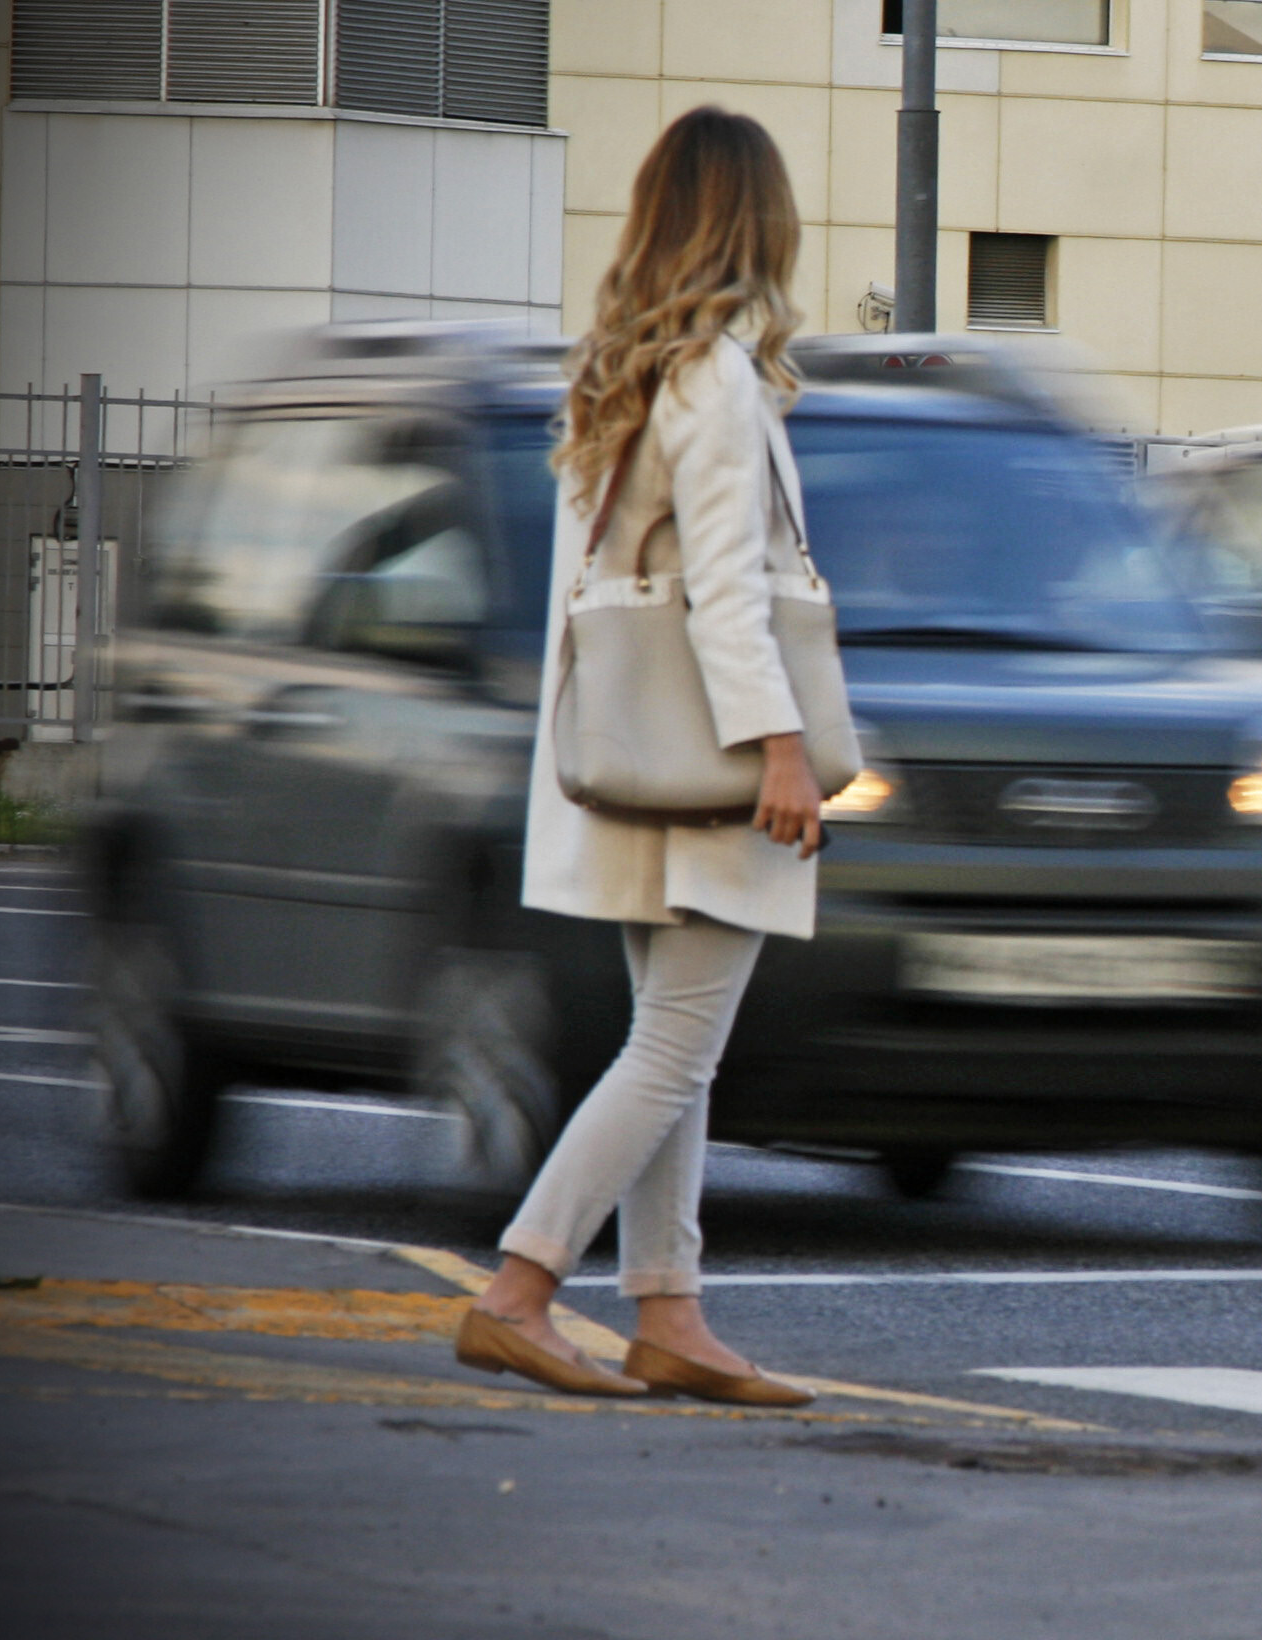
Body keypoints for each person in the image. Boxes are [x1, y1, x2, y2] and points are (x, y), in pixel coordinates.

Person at [451, 107, 824, 1405]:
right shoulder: (713, 375)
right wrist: (782, 746)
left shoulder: (622, 362)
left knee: (672, 1045)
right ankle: (521, 1288)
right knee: (675, 1045)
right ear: (753, 219)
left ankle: (669, 1307)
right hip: (713, 761)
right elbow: (726, 593)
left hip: (639, 758)